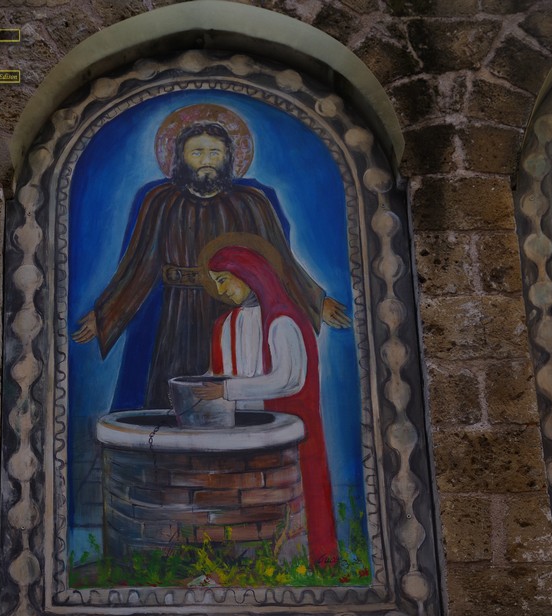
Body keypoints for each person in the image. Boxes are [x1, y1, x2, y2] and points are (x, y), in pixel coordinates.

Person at [74, 106, 350, 410]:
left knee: (229, 382)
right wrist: (106, 313)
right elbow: (139, 264)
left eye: (215, 153)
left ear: (228, 157)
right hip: (176, 314)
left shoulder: (252, 203)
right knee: (171, 391)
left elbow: (278, 259)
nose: (206, 160)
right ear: (180, 158)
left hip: (231, 306)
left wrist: (315, 301)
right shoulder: (160, 202)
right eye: (197, 153)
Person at [198, 240, 339, 567]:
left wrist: (226, 390)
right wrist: (198, 386)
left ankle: (305, 561)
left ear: (247, 274)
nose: (220, 290)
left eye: (224, 280)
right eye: (216, 283)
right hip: (241, 434)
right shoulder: (224, 325)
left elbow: (288, 379)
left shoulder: (283, 320)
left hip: (286, 432)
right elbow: (218, 372)